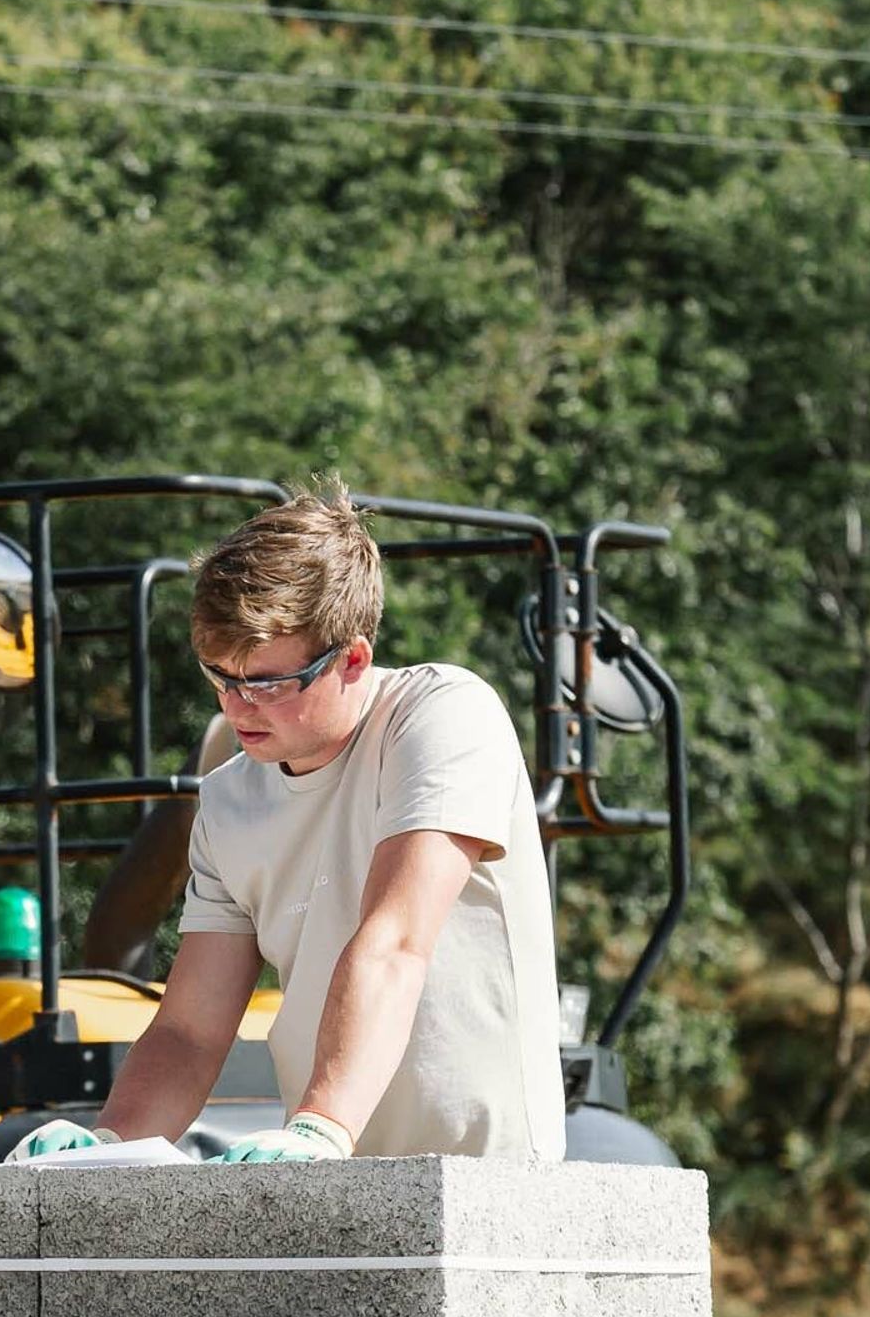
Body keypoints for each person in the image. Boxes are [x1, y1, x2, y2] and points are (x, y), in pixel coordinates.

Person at [95, 491, 565, 1163]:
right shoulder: (228, 799)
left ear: (352, 659)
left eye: (266, 683)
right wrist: (106, 1144)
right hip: (336, 1177)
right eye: (219, 677)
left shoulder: (442, 717)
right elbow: (191, 1032)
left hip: (490, 1181)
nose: (237, 705)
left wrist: (320, 1128)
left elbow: (396, 941)